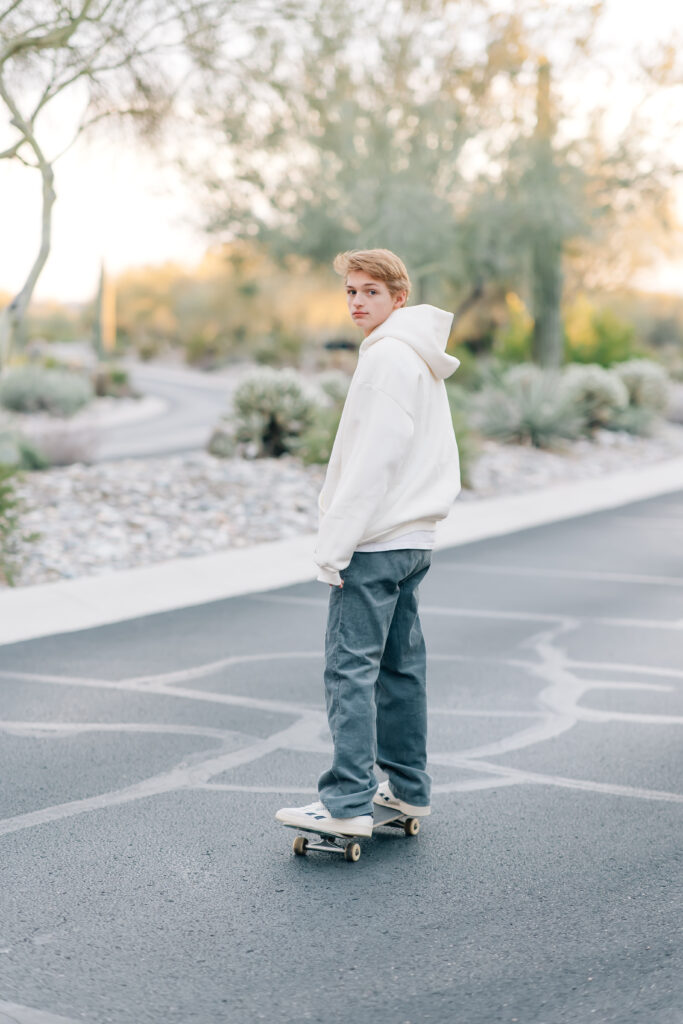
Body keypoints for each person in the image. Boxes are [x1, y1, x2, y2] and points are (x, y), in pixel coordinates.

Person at [275, 248, 461, 838]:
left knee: (349, 671)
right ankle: (407, 791)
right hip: (413, 539)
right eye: (351, 291)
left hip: (376, 542)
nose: (357, 301)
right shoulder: (417, 358)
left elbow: (370, 464)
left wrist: (334, 546)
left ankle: (347, 803)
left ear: (398, 297)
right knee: (400, 670)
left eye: (370, 292)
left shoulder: (386, 361)